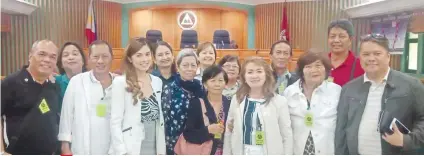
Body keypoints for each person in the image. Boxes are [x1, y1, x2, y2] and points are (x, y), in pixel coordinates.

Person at [335, 34, 424, 154]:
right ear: (360, 57)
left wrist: (406, 140)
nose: (371, 58)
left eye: (377, 54)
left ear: (388, 57)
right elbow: (341, 130)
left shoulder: (411, 85)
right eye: (366, 54)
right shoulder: (348, 89)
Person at [223, 56, 293, 155]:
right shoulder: (237, 99)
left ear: (266, 75)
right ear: (244, 77)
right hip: (243, 151)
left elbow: (287, 136)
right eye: (250, 72)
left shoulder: (279, 101)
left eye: (259, 71)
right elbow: (229, 132)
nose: (254, 76)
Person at [1, 40, 60, 154]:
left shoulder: (54, 86)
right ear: (30, 56)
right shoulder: (11, 82)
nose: (47, 60)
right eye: (42, 54)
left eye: (53, 57)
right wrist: (1, 151)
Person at [110, 38, 166, 155]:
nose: (144, 59)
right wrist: (121, 151)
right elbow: (115, 122)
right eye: (139, 55)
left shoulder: (157, 82)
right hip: (130, 147)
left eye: (147, 54)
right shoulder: (120, 83)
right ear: (130, 58)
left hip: (155, 146)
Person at [58, 40, 114, 155]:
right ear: (88, 59)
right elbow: (66, 116)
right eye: (96, 57)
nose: (100, 61)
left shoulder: (119, 83)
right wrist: (65, 147)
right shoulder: (77, 81)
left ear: (111, 58)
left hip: (112, 148)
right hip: (83, 148)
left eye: (105, 56)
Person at [283, 50, 341, 155]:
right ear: (301, 71)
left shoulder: (337, 91)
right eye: (308, 67)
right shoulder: (289, 92)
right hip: (298, 150)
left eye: (318, 66)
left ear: (326, 69)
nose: (313, 70)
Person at [162, 49, 204, 154]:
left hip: (198, 144)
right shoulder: (169, 89)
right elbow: (165, 121)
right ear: (178, 67)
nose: (189, 69)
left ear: (197, 67)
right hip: (175, 145)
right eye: (185, 65)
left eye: (193, 65)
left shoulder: (202, 88)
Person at [183, 65, 231, 155]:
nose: (217, 84)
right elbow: (188, 134)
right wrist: (208, 130)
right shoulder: (197, 103)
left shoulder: (229, 104)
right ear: (205, 84)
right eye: (213, 80)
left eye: (220, 80)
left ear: (225, 83)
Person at [327, 19, 364, 86]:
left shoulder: (361, 65)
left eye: (342, 36)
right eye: (332, 36)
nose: (336, 40)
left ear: (350, 40)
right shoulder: (321, 62)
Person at [55, 42, 87, 111]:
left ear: (83, 61)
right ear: (61, 64)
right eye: (66, 55)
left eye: (75, 54)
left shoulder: (93, 81)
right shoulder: (55, 83)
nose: (71, 57)